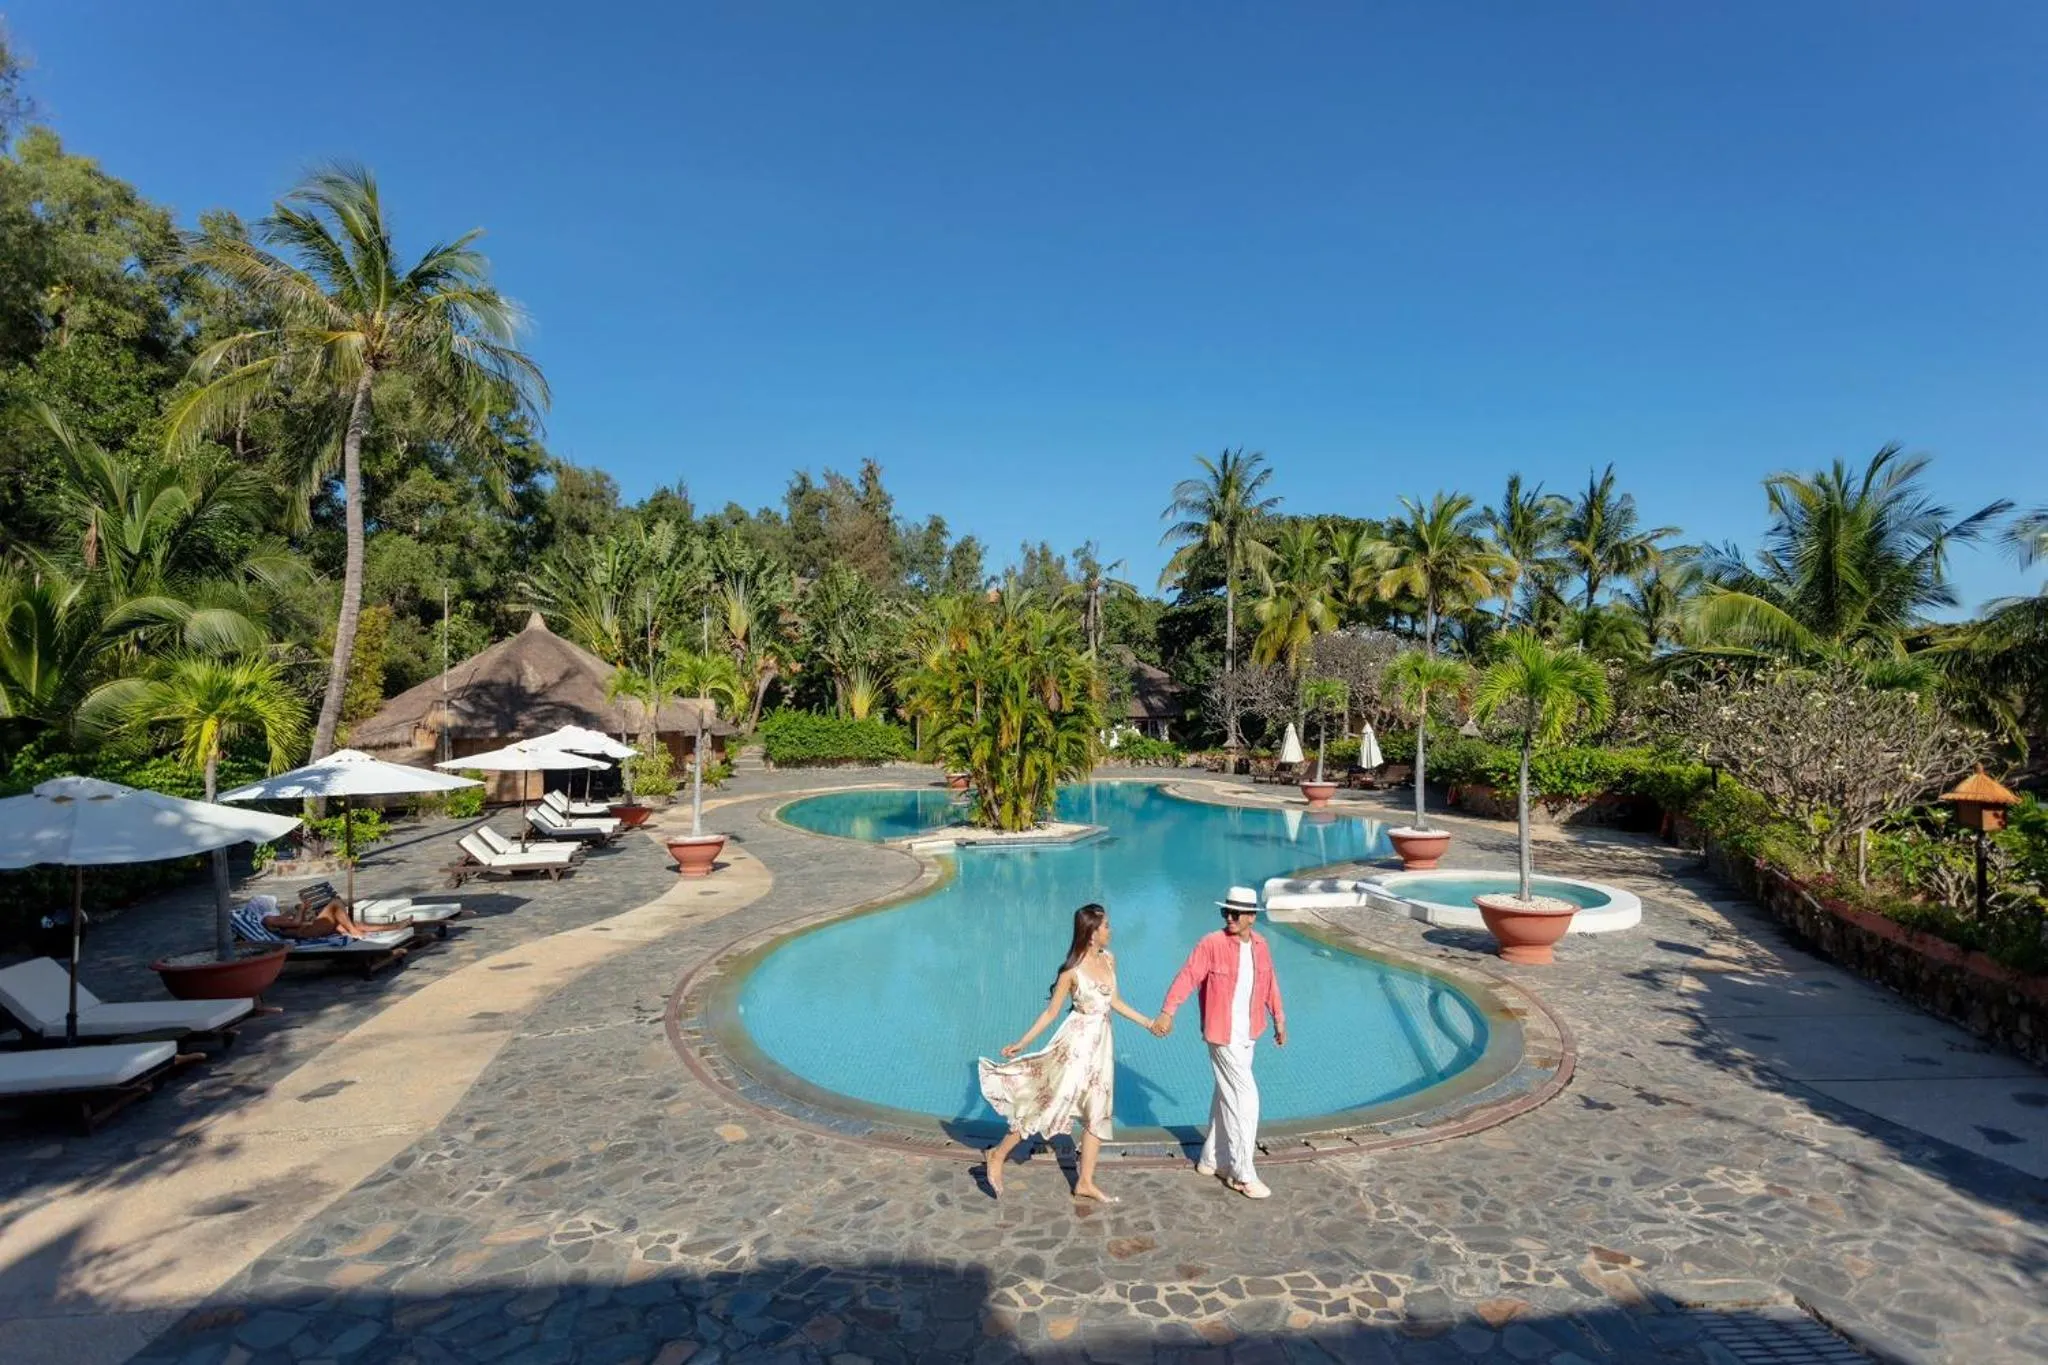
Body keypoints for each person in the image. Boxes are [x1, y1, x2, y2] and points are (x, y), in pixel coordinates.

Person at [978, 903, 1158, 1201]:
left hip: (1100, 1048)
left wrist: (1148, 1023)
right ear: (1092, 934)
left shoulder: (1110, 960)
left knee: (1098, 1111)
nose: (1110, 931)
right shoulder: (1071, 972)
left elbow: (1116, 1001)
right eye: (1106, 927)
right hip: (1075, 1047)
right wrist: (1023, 1042)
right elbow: (1051, 1013)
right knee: (1048, 1101)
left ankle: (1085, 1181)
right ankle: (998, 1154)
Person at [1153, 884, 1287, 1199]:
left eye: (1235, 913)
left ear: (1252, 917)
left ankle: (1210, 1159)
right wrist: (1167, 1012)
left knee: (1225, 1095)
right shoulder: (1211, 944)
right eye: (1225, 911)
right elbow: (1188, 976)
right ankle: (1241, 1173)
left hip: (1249, 1032)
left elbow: (1270, 983)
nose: (1229, 917)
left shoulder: (1261, 945)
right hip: (1221, 1034)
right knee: (1245, 1099)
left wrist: (1279, 1019)